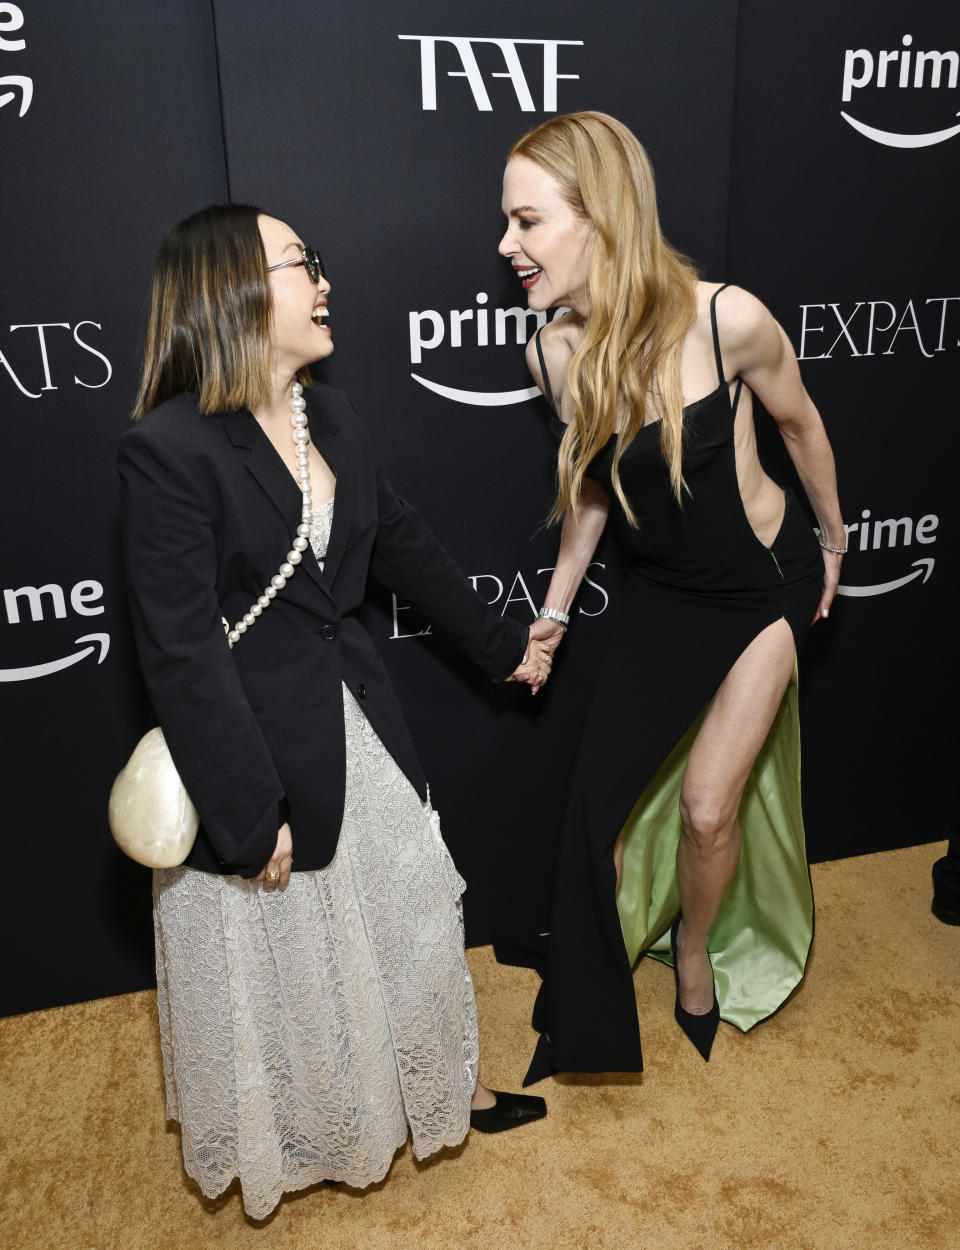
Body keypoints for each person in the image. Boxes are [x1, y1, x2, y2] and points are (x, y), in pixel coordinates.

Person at [117, 205, 550, 1218]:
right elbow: (180, 654)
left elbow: (401, 543)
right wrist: (245, 806)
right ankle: (322, 1127)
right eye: (300, 264)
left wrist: (503, 647)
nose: (323, 281)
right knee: (291, 963)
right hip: (252, 747)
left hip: (359, 718)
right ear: (231, 291)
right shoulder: (168, 450)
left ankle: (454, 1088)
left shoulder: (332, 412)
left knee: (410, 913)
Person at [496, 112, 845, 1082]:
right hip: (661, 595)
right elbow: (597, 489)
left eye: (526, 221)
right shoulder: (552, 355)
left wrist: (834, 539)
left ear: (600, 215)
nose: (506, 245)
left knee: (704, 809)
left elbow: (802, 424)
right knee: (589, 812)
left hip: (759, 588)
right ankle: (594, 1003)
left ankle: (694, 954)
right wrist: (556, 612)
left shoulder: (725, 317)